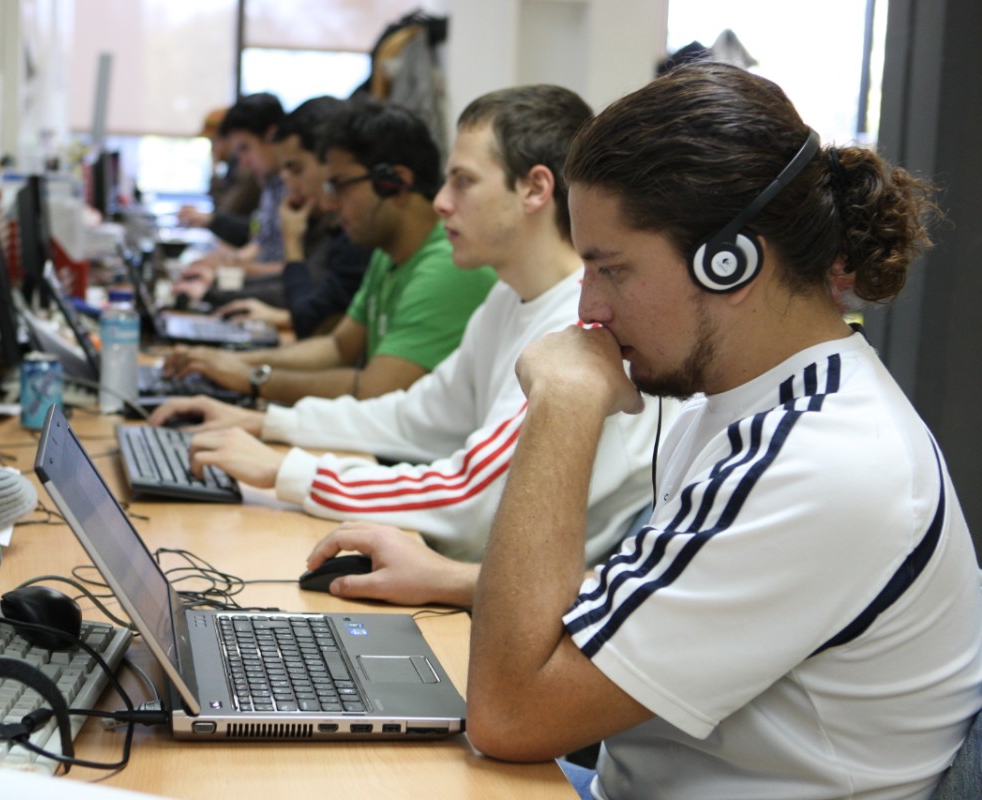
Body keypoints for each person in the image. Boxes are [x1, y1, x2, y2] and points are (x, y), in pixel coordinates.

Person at [464, 62, 982, 799]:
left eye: (611, 270)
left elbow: (511, 716)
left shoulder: (824, 461)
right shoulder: (740, 403)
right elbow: (675, 589)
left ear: (731, 262)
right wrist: (457, 581)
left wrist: (564, 402)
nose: (588, 310)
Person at [147, 85, 665, 589]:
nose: (440, 202)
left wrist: (287, 469)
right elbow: (414, 417)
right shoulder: (507, 298)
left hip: (526, 605)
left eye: (463, 182)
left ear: (534, 188)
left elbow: (471, 499)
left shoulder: (585, 326)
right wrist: (269, 422)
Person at [162, 99, 497, 404]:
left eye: (340, 185)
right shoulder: (388, 253)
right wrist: (229, 362)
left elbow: (372, 390)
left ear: (394, 183)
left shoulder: (447, 265)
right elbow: (337, 347)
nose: (331, 203)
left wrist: (253, 378)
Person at [216, 95, 372, 339]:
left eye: (296, 169)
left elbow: (311, 318)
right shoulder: (330, 222)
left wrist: (292, 241)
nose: (287, 180)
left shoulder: (358, 232)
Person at [174, 92, 288, 304]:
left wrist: (232, 269)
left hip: (272, 295)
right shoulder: (271, 183)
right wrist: (226, 262)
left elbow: (294, 270)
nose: (243, 162)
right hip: (260, 289)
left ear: (271, 135)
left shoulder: (289, 185)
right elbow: (259, 243)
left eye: (245, 148)